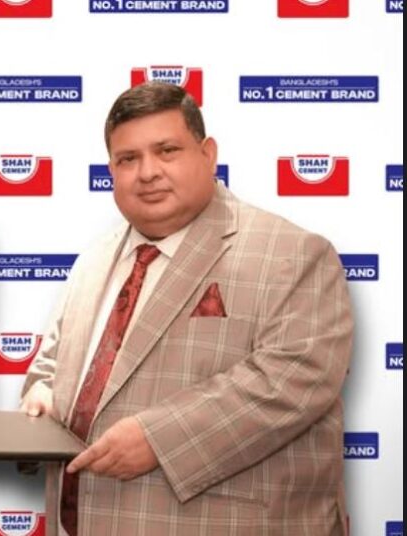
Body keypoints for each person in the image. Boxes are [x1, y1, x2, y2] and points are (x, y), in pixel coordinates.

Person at [21, 81, 353, 535]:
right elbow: (52, 363)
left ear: (208, 154)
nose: (148, 172)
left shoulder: (292, 253)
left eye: (167, 150)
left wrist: (158, 439)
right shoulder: (94, 260)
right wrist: (43, 396)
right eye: (128, 159)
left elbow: (295, 377)